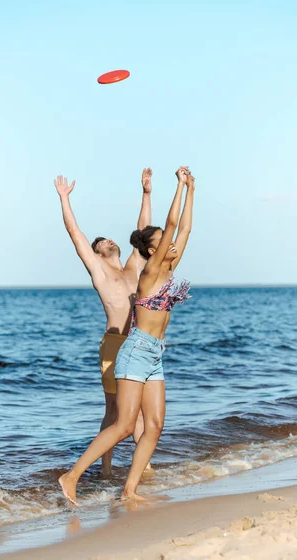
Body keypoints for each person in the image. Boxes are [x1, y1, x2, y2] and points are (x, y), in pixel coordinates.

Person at [59, 166, 195, 505]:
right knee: (121, 423)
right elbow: (170, 227)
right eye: (162, 241)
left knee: (155, 424)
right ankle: (73, 476)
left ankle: (129, 489)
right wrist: (178, 186)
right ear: (153, 250)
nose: (171, 243)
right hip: (129, 348)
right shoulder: (144, 272)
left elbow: (180, 228)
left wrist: (190, 189)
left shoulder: (151, 268)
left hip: (154, 353)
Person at [54, 170, 153, 479]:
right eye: (101, 243)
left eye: (108, 239)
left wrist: (147, 193)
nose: (107, 240)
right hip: (114, 345)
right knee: (114, 412)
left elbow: (144, 232)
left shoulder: (134, 267)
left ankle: (144, 467)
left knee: (138, 411)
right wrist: (64, 199)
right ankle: (106, 469)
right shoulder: (99, 272)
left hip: (139, 343)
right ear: (96, 254)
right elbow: (75, 233)